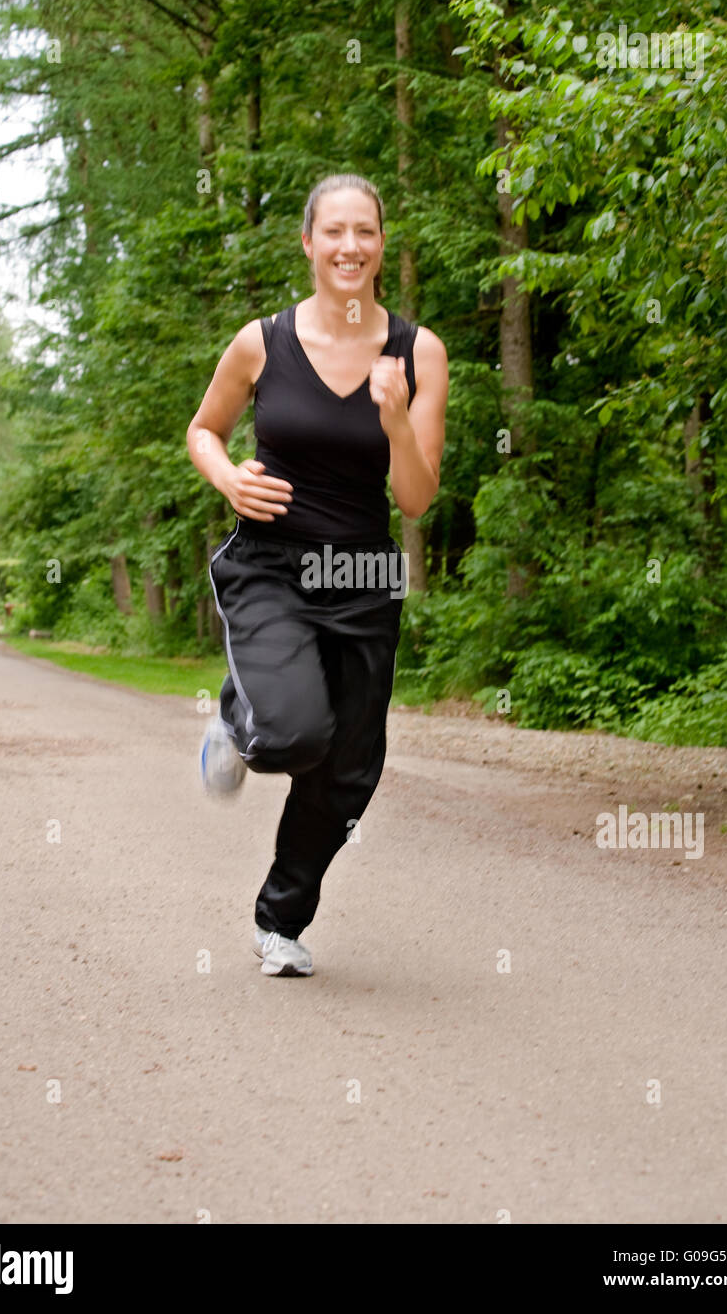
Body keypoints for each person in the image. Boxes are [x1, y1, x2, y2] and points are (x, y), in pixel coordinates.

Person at [185, 172, 448, 976]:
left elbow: (416, 495)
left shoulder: (418, 350)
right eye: (333, 231)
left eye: (364, 232)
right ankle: (238, 721)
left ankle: (280, 924)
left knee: (349, 771)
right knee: (296, 733)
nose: (349, 246)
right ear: (308, 242)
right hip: (272, 564)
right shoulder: (261, 341)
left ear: (380, 246)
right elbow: (203, 430)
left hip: (365, 575)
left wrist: (398, 419)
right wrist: (228, 476)